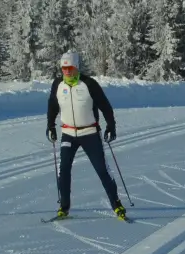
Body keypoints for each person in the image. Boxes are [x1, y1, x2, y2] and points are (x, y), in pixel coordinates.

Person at [45, 50, 126, 221]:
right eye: (64, 68)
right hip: (68, 133)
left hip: (89, 133)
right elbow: (52, 105)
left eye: (70, 68)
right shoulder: (58, 84)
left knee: (102, 170)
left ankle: (117, 205)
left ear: (77, 67)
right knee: (64, 170)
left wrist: (111, 126)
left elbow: (105, 106)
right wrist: (50, 125)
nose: (66, 71)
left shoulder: (89, 84)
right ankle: (64, 208)